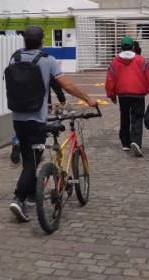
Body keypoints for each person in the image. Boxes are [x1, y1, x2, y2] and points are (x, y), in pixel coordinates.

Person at [8, 25, 97, 223]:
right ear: (42, 41)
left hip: (18, 117)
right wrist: (88, 98)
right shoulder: (47, 61)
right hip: (36, 119)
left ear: (24, 41)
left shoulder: (15, 57)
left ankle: (32, 195)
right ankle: (19, 198)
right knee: (32, 161)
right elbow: (66, 85)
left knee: (28, 156)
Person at [105, 35, 149, 158]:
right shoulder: (141, 61)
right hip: (138, 95)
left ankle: (125, 142)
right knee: (137, 118)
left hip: (122, 95)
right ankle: (136, 141)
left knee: (124, 117)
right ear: (133, 47)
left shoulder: (114, 62)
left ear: (121, 47)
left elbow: (110, 80)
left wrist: (112, 95)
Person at [10, 79, 66, 164]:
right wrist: (60, 97)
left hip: (20, 101)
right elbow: (52, 82)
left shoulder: (17, 65)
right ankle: (34, 150)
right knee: (36, 126)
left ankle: (17, 142)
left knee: (23, 124)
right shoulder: (45, 65)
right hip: (38, 102)